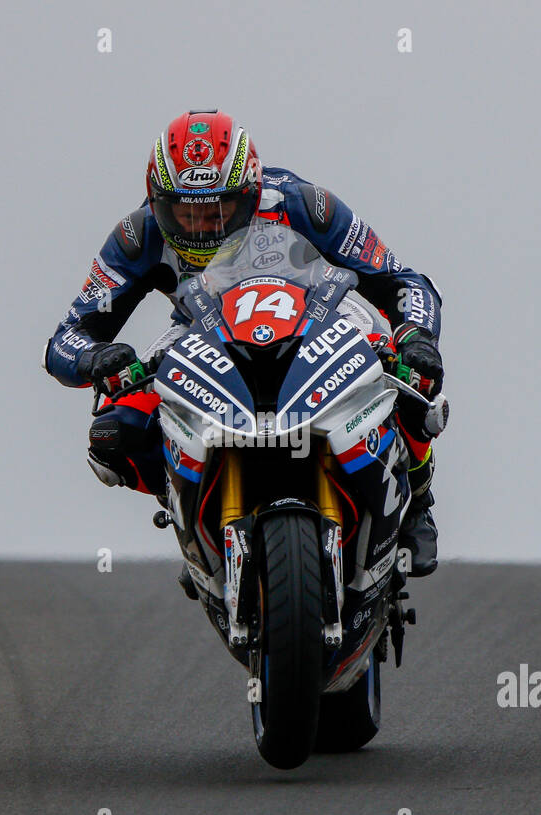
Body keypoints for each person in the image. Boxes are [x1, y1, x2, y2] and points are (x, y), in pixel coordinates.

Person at [45, 110, 445, 575]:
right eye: (184, 211)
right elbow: (65, 339)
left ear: (249, 195)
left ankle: (417, 500)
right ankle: (187, 505)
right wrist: (97, 357)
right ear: (157, 202)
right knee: (112, 434)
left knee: (412, 371)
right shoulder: (139, 236)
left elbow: (404, 283)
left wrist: (416, 337)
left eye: (218, 211)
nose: (201, 226)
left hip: (322, 319)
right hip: (202, 333)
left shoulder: (307, 205)